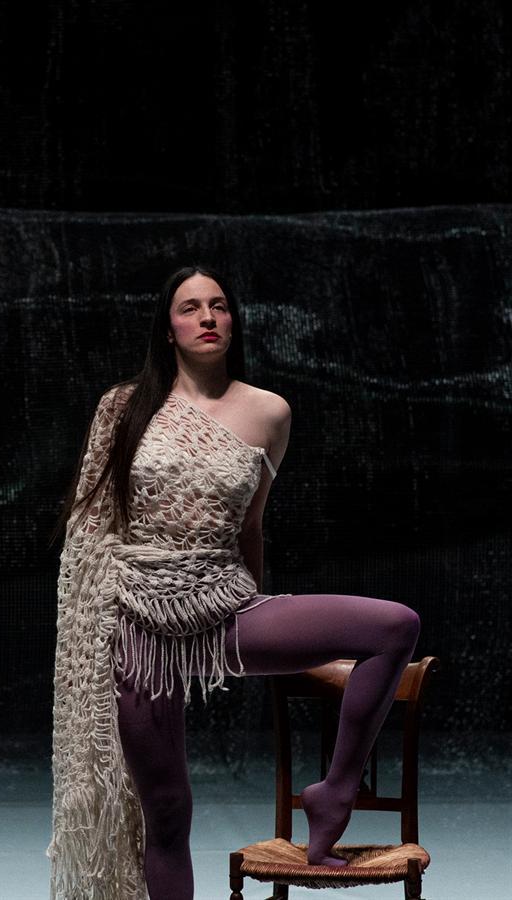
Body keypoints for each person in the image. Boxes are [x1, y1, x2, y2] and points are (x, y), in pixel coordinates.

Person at [47, 264, 421, 900]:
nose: (207, 317)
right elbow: (91, 526)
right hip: (136, 624)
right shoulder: (123, 406)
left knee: (394, 626)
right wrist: (98, 633)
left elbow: (252, 524)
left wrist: (258, 605)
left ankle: (334, 791)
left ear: (233, 321)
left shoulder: (269, 411)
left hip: (224, 605)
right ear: (168, 328)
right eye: (190, 307)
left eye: (218, 305)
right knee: (168, 811)